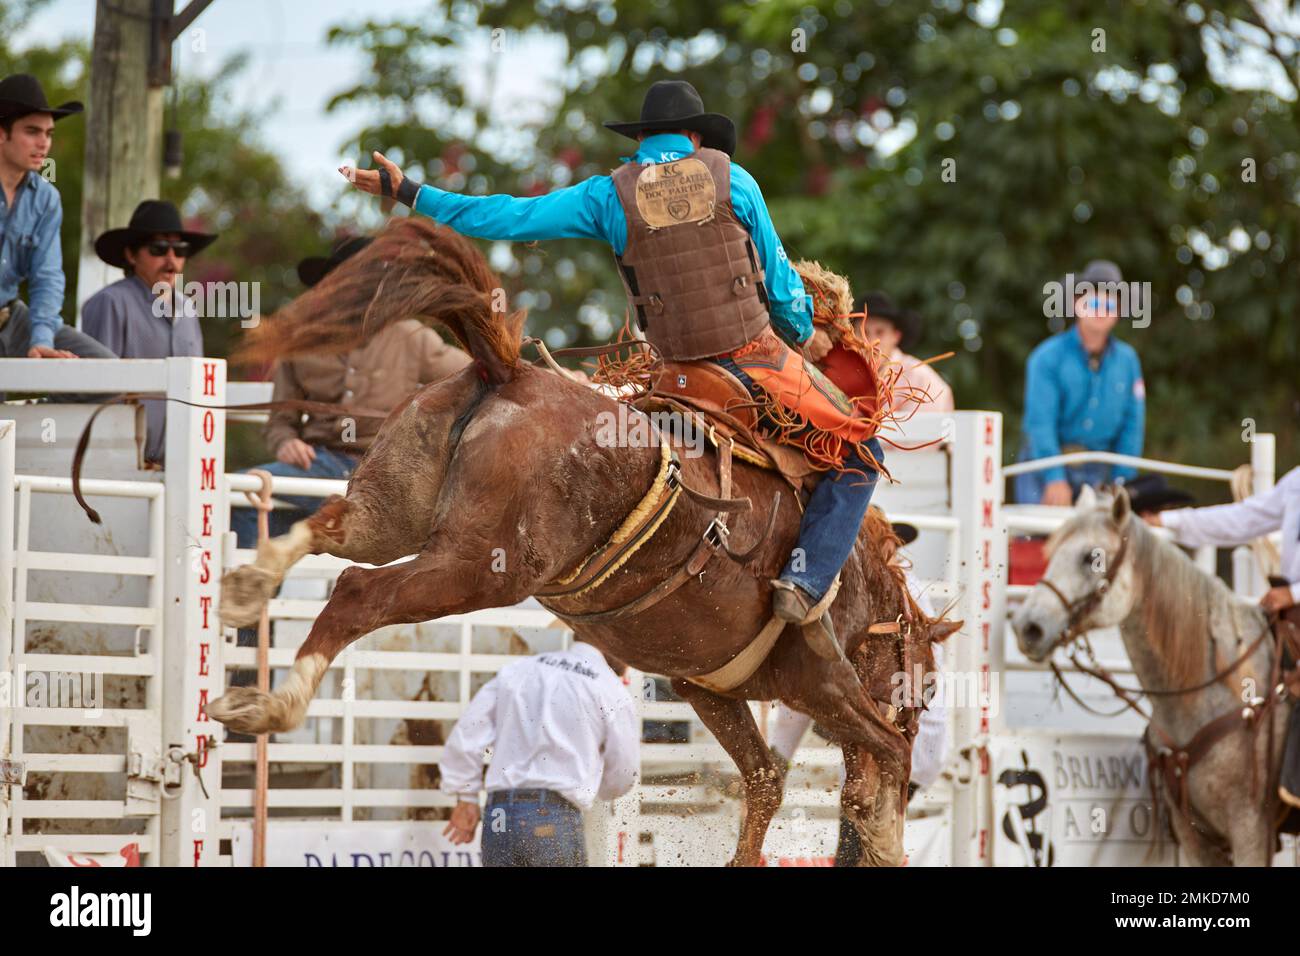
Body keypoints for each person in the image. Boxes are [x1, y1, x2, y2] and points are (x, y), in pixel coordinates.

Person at [342, 79, 884, 660]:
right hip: (753, 364)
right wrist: (804, 334)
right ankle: (803, 581)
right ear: (697, 136)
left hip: (675, 375)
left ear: (643, 139)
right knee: (863, 451)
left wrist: (412, 192)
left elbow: (508, 217)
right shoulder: (735, 180)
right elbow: (780, 285)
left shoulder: (609, 196)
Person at [229, 235, 471, 549]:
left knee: (250, 496)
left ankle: (261, 584)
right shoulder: (301, 341)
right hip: (319, 465)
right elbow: (280, 420)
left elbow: (474, 371)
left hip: (385, 469)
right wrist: (286, 441)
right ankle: (259, 591)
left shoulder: (408, 336)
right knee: (244, 494)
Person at [767, 517, 949, 865]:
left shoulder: (896, 592)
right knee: (861, 834)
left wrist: (781, 753)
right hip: (893, 741)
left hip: (900, 740)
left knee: (861, 834)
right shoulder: (888, 591)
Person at [1144, 465, 1300, 808]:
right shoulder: (1296, 482)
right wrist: (1170, 522)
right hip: (1289, 616)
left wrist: (1295, 594)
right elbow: (1243, 519)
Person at [439, 640, 640, 866]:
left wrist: (466, 798)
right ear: (608, 639)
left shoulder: (519, 669)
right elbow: (623, 774)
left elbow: (467, 734)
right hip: (554, 814)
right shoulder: (609, 687)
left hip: (500, 813)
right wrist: (597, 786)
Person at [82, 200, 218, 463]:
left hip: (180, 462)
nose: (171, 261)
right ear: (131, 255)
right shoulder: (110, 303)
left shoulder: (188, 309)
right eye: (158, 249)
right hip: (121, 462)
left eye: (180, 250)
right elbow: (99, 391)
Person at [0, 73, 113, 360]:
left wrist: (41, 340)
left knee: (106, 374)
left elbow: (46, 276)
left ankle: (38, 405)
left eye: (48, 133)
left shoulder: (46, 198)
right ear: (2, 132)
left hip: (12, 317)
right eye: (32, 131)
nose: (44, 144)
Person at [1015, 260, 1145, 506]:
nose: (1100, 311)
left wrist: (1122, 481)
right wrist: (1054, 477)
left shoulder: (1128, 361)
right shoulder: (1046, 357)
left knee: (1105, 539)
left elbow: (1132, 426)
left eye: (1109, 305)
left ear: (1118, 312)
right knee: (1038, 537)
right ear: (1077, 304)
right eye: (1093, 303)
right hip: (1046, 465)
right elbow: (1040, 422)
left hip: (1100, 472)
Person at [858, 291, 953, 414]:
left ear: (896, 336)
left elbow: (921, 430)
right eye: (863, 332)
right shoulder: (843, 375)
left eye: (880, 332)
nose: (870, 342)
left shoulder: (921, 379)